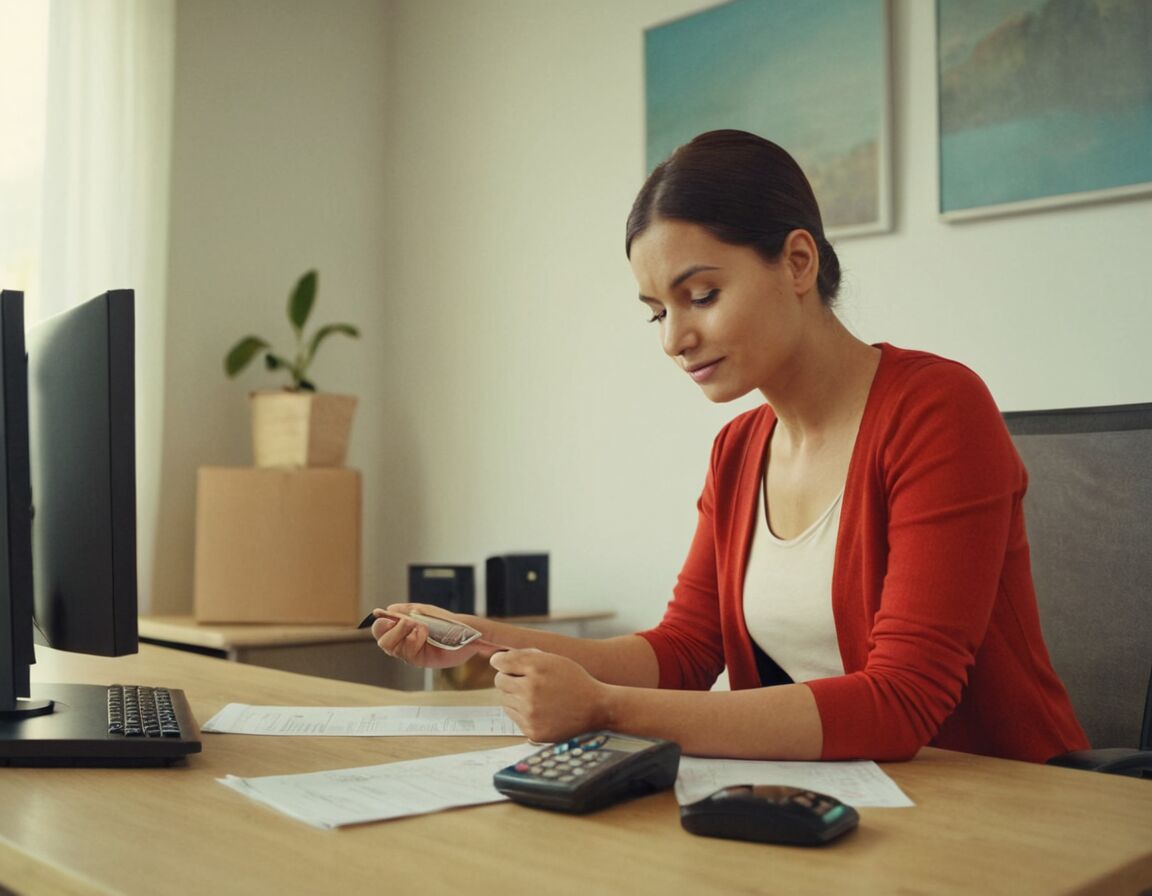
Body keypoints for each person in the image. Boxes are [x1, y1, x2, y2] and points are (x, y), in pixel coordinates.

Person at [368, 129, 1087, 763]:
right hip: (842, 810)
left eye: (702, 295)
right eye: (656, 313)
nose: (676, 339)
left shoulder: (937, 409)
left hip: (1007, 810)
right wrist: (481, 638)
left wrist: (606, 709)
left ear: (798, 262)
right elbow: (683, 652)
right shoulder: (739, 451)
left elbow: (900, 704)